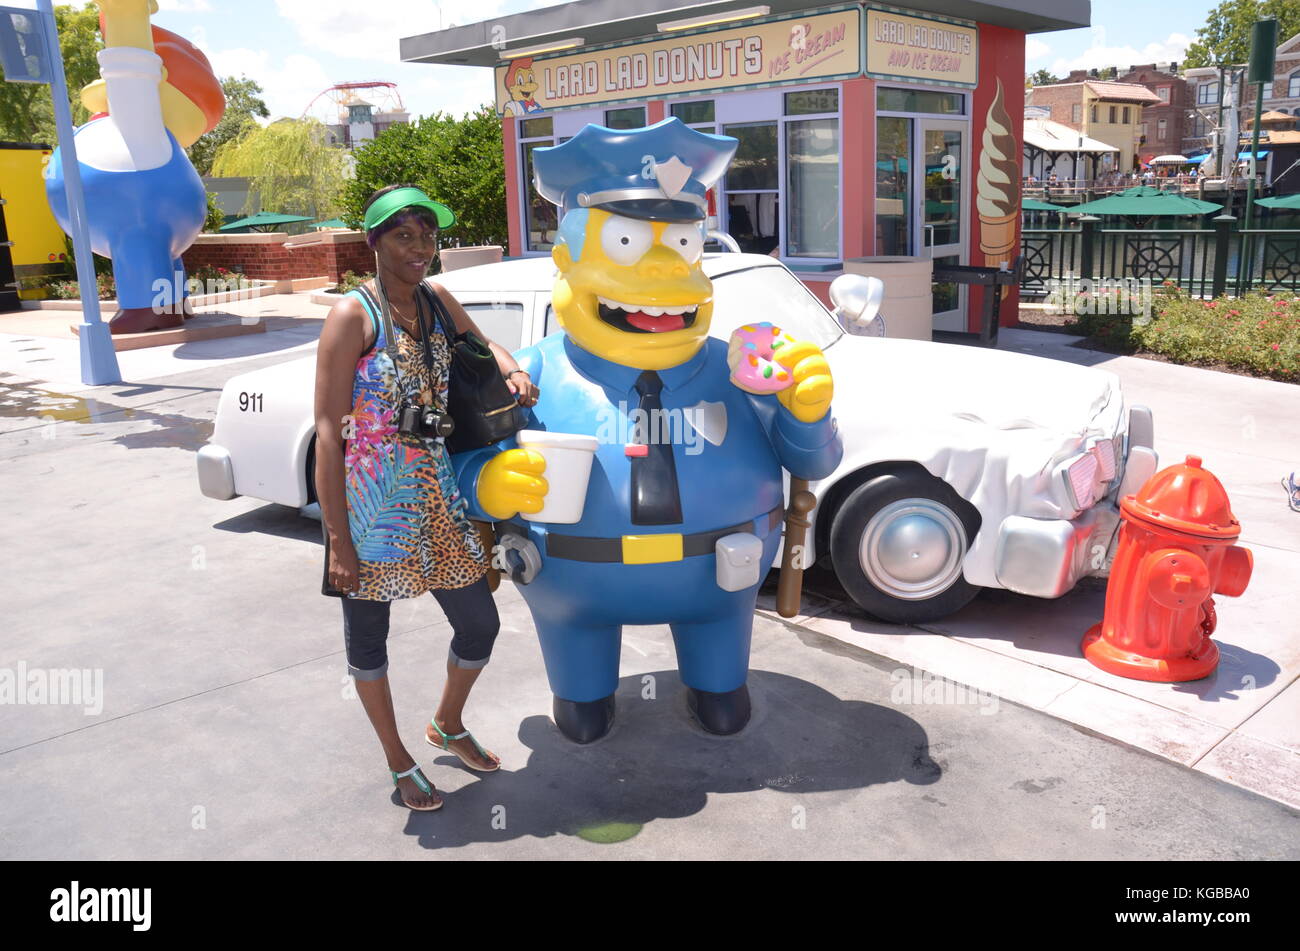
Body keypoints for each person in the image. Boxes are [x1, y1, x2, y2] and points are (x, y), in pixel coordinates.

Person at [313, 184, 540, 811]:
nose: (420, 248)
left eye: (428, 236)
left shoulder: (437, 298)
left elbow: (482, 346)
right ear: (375, 244)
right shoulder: (352, 317)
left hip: (437, 496)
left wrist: (513, 366)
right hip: (372, 508)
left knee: (480, 624)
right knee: (369, 643)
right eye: (404, 237)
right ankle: (397, 759)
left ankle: (447, 721)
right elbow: (329, 433)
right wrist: (338, 541)